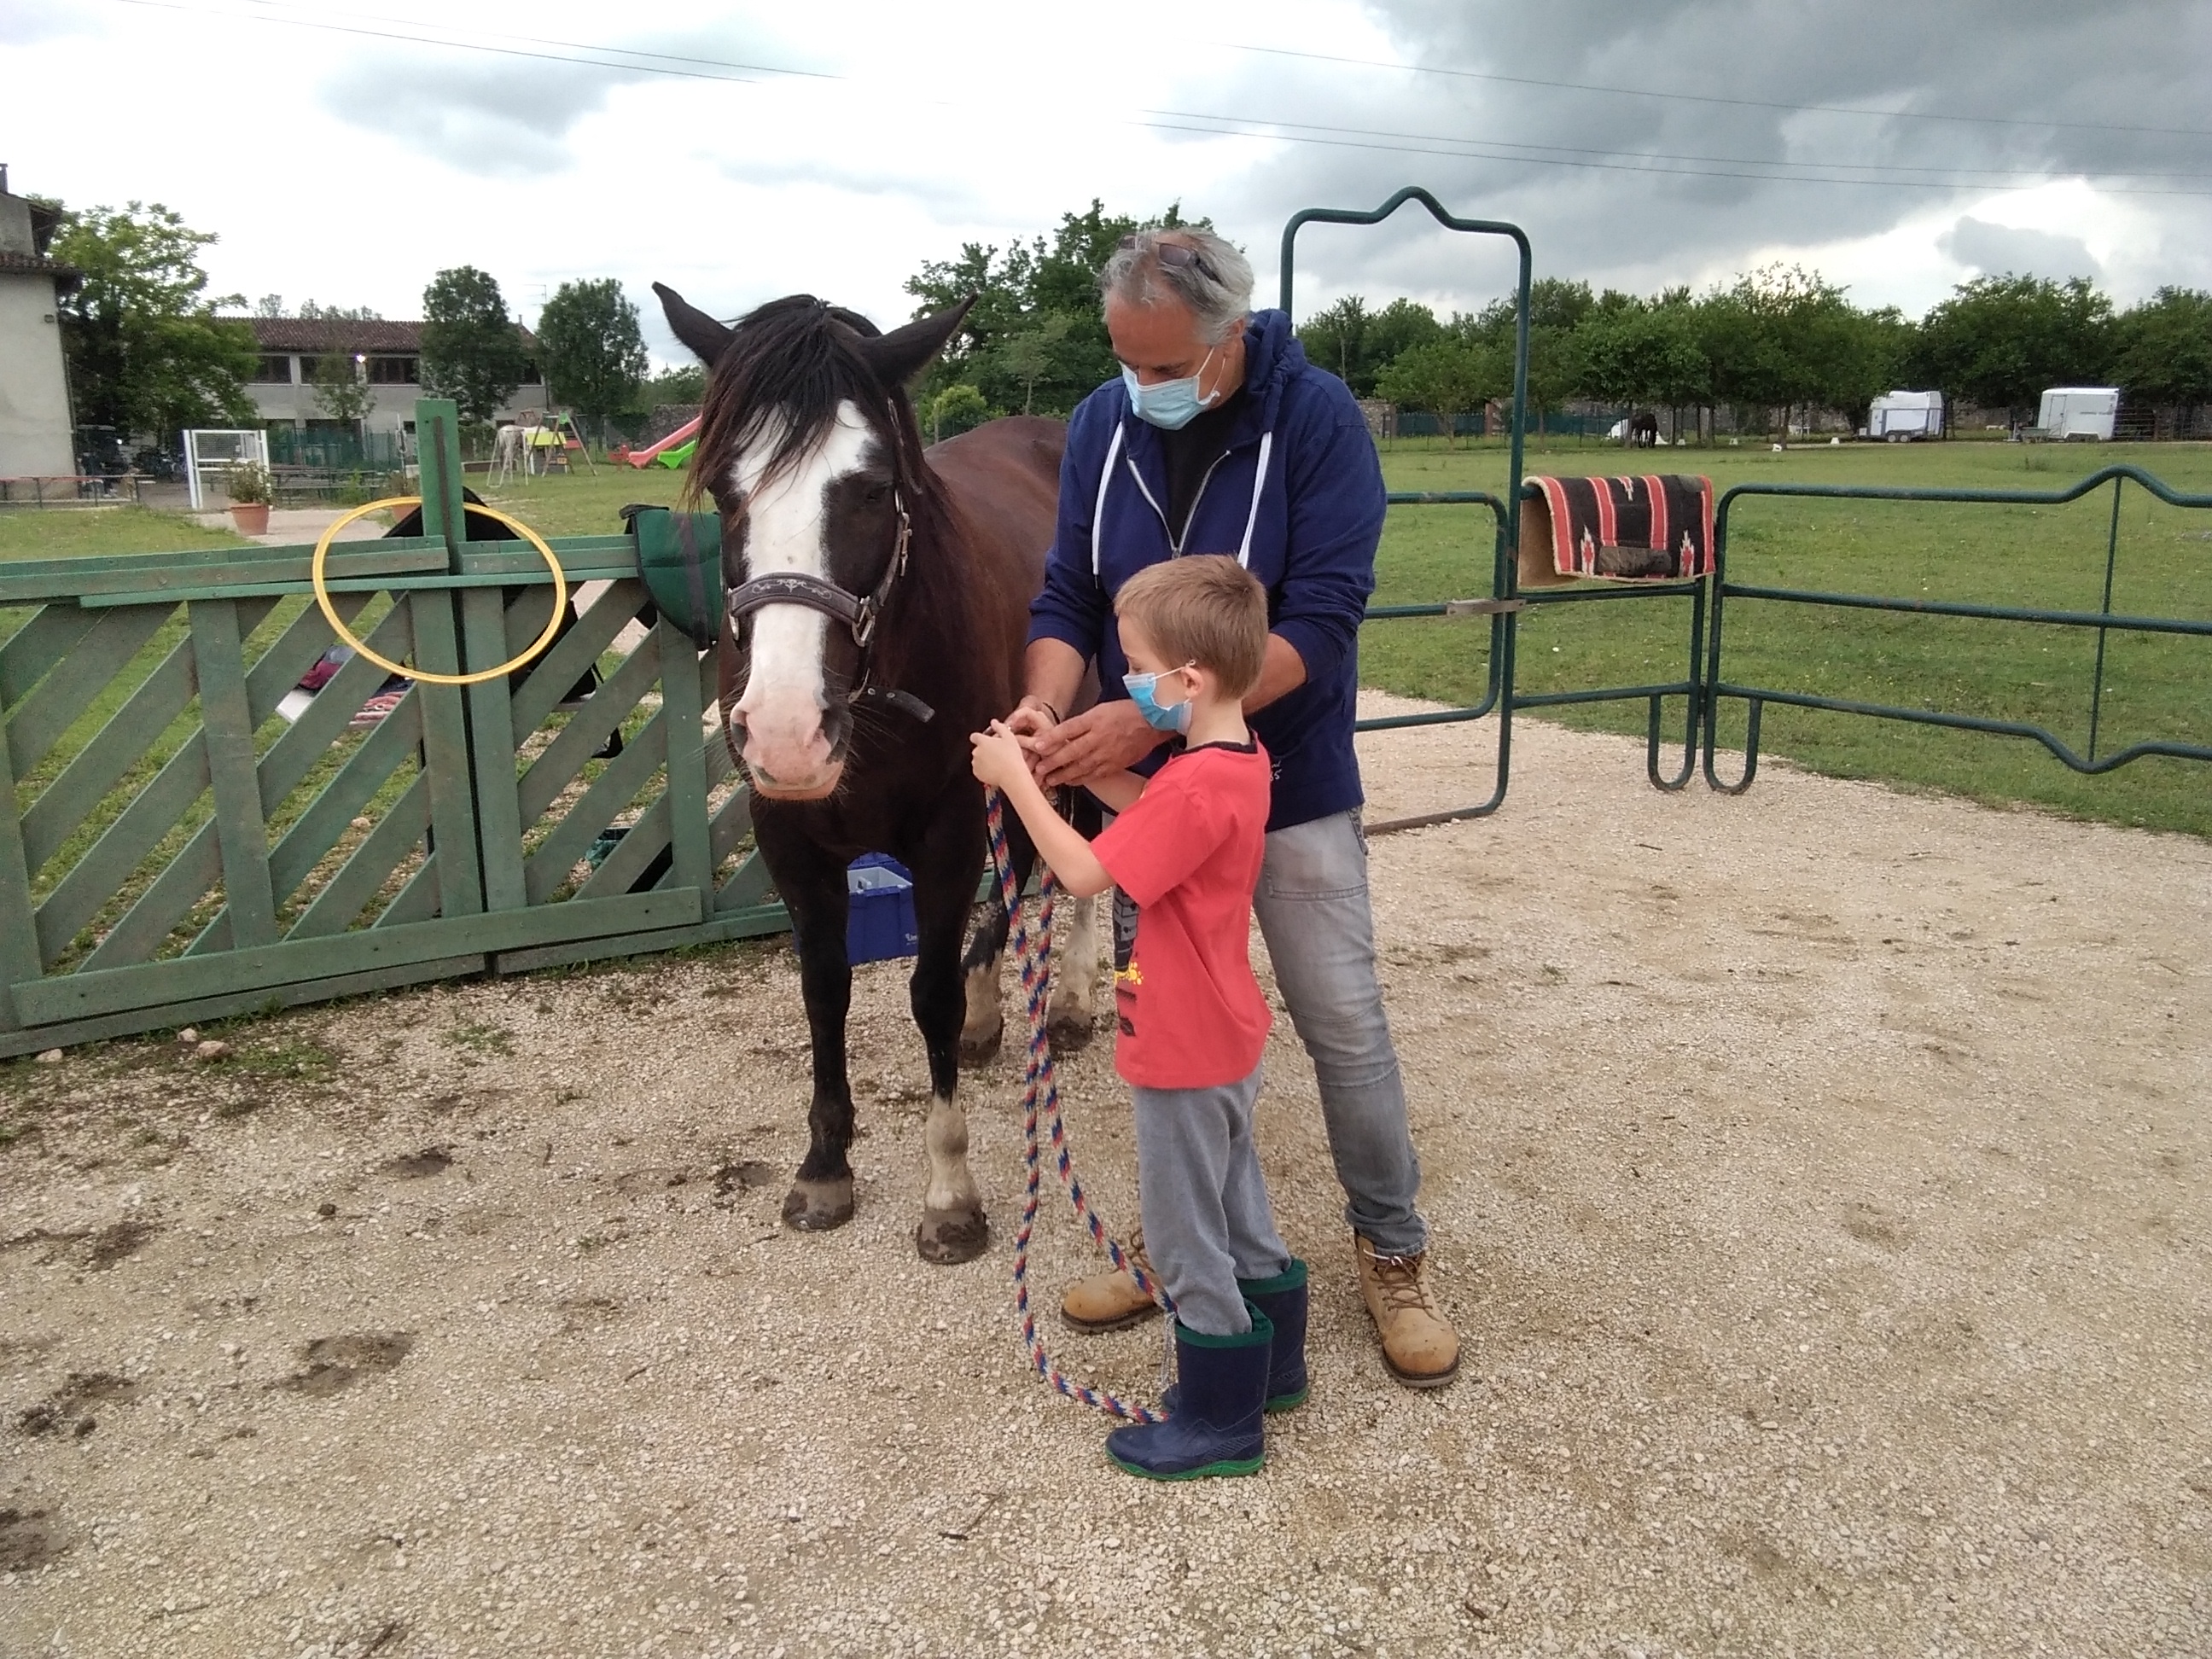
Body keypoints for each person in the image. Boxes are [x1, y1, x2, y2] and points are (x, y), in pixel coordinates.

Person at [1007, 226, 1460, 1389]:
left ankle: (1392, 1247)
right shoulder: (1108, 425)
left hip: (1283, 779)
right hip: (1145, 785)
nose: (1137, 388)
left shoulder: (1313, 423)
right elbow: (1067, 589)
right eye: (1124, 363)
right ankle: (1183, 1243)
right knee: (1167, 1029)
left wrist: (1151, 722)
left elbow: (1320, 622)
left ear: (1229, 341)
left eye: (1162, 368)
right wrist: (1045, 712)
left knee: (1339, 1019)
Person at [971, 556, 1306, 1479]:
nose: (1127, 684)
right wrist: (1060, 771)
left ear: (1186, 682)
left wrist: (1016, 781)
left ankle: (1218, 1420)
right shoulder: (1234, 763)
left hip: (1181, 1048)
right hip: (1227, 1036)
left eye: (1135, 667)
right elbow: (1161, 813)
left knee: (1184, 1235)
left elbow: (1083, 873)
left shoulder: (1196, 784)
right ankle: (1275, 1366)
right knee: (1239, 1209)